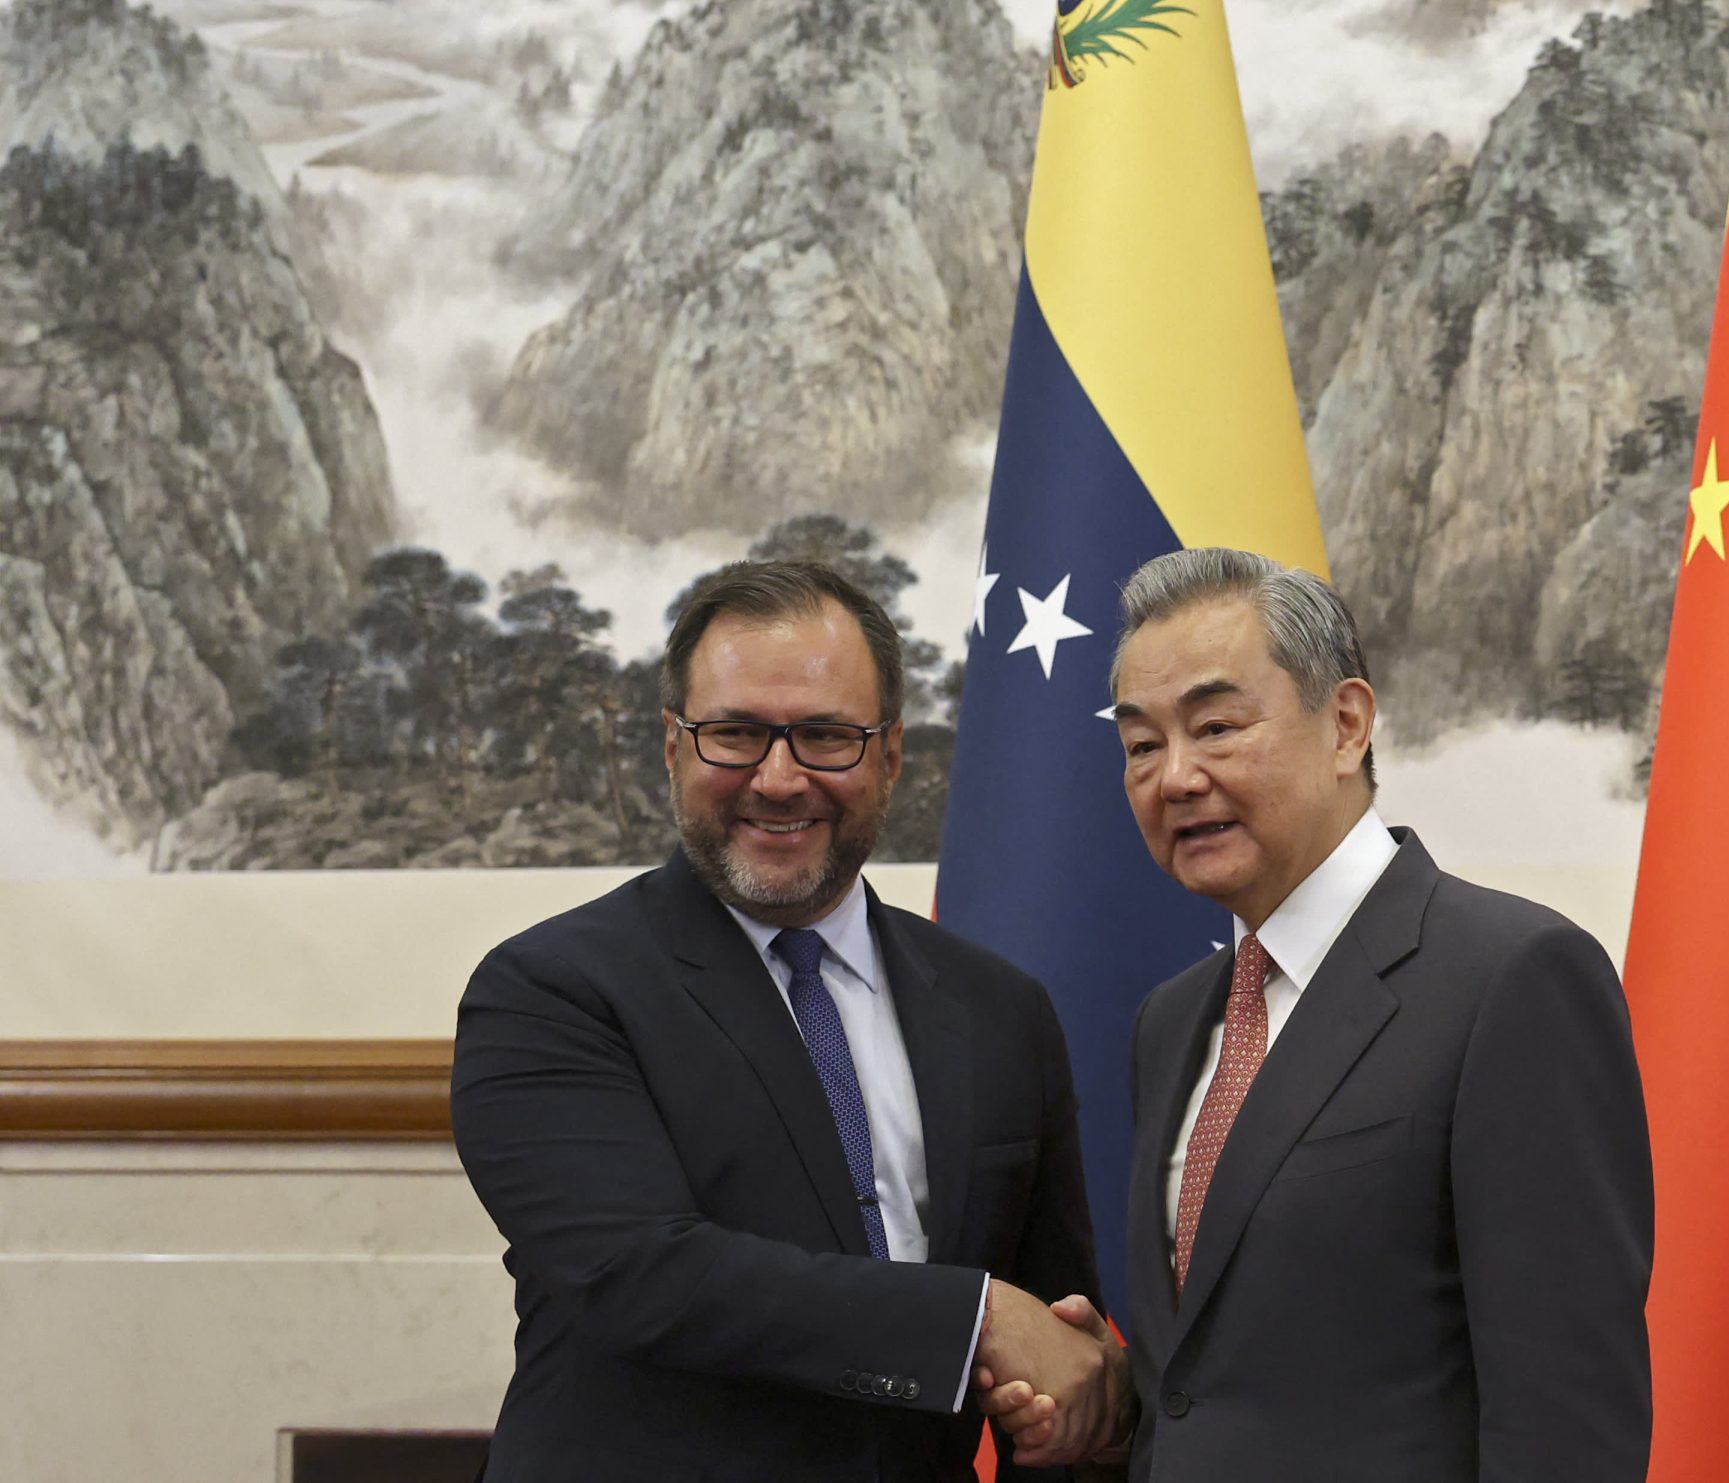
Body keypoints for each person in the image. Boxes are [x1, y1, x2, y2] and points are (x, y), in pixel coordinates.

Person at [985, 548, 1654, 1481]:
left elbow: (1566, 1416)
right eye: (1141, 745)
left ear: (1345, 725)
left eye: (1216, 727)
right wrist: (1115, 1406)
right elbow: (1233, 1385)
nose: (1175, 777)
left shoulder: (1513, 977)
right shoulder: (1171, 1021)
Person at [452, 560, 1122, 1482]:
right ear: (673, 746)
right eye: (734, 733)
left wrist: (1094, 1412)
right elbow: (641, 1277)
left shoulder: (1001, 1009)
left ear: (890, 754)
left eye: (825, 736)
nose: (778, 778)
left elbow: (1051, 1358)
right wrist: (975, 1318)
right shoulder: (550, 990)